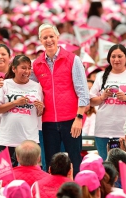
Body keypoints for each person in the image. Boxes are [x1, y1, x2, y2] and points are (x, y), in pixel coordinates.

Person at [30, 24, 90, 175]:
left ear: (57, 37)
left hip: (71, 120)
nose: (49, 40)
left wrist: (79, 117)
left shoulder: (73, 59)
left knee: (75, 161)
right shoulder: (35, 64)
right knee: (51, 163)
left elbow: (83, 91)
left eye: (51, 36)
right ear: (40, 40)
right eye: (45, 37)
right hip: (48, 122)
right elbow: (27, 87)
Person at [0, 55, 44, 166]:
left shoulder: (37, 86)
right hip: (8, 139)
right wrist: (15, 103)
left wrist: (40, 108)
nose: (27, 71)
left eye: (29, 68)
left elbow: (39, 114)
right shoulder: (4, 84)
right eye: (23, 68)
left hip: (30, 140)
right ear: (14, 69)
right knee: (6, 177)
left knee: (30, 174)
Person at [90, 44, 126, 160]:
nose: (116, 60)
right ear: (109, 58)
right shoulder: (101, 76)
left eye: (120, 56)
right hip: (103, 129)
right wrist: (102, 97)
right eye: (113, 56)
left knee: (124, 165)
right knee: (106, 166)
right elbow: (91, 101)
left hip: (125, 130)